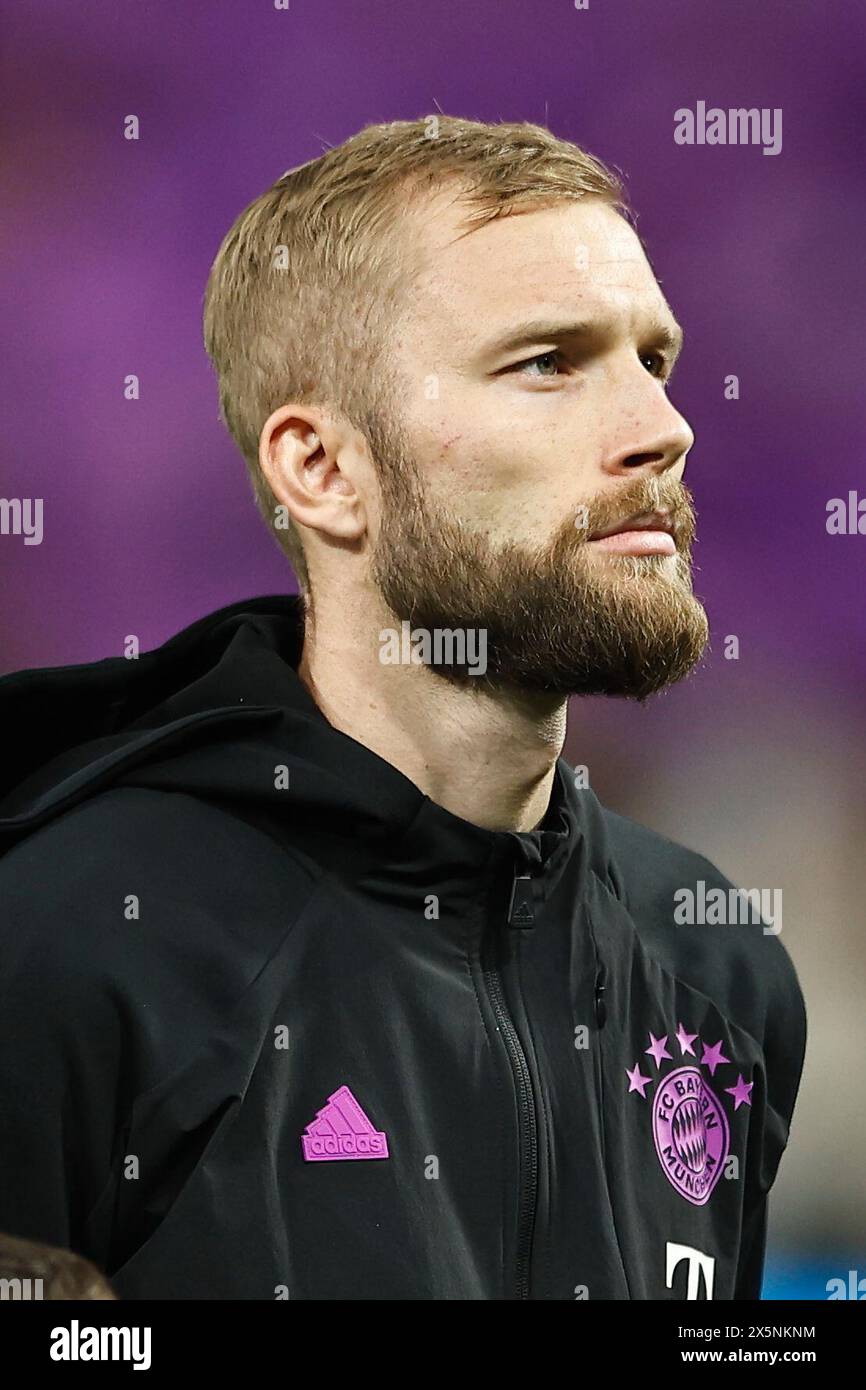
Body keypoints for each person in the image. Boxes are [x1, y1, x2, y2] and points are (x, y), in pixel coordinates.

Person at [0, 116, 805, 1300]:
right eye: (546, 362)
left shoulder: (714, 968)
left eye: (653, 360)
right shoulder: (66, 945)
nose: (661, 430)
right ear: (321, 470)